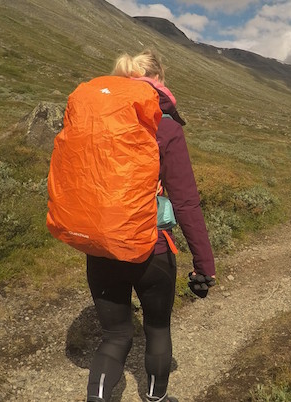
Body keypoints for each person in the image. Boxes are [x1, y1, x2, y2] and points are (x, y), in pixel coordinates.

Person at [85, 50, 216, 402]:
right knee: (157, 328)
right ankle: (156, 399)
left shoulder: (96, 119)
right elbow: (186, 202)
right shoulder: (166, 125)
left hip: (101, 248)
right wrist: (204, 265)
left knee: (114, 336)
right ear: (158, 81)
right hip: (152, 247)